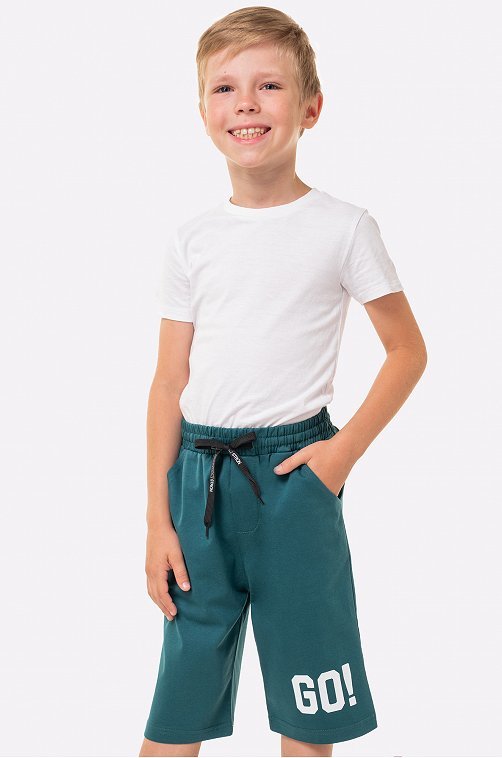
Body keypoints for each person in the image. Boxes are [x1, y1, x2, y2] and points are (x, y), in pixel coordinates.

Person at [139, 7, 427, 757]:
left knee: (307, 700)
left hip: (296, 478)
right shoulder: (191, 240)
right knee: (180, 699)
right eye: (225, 87)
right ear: (203, 111)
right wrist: (158, 520)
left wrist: (340, 455)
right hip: (199, 483)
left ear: (310, 108)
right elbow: (169, 382)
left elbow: (406, 350)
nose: (246, 103)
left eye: (268, 85)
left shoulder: (344, 227)